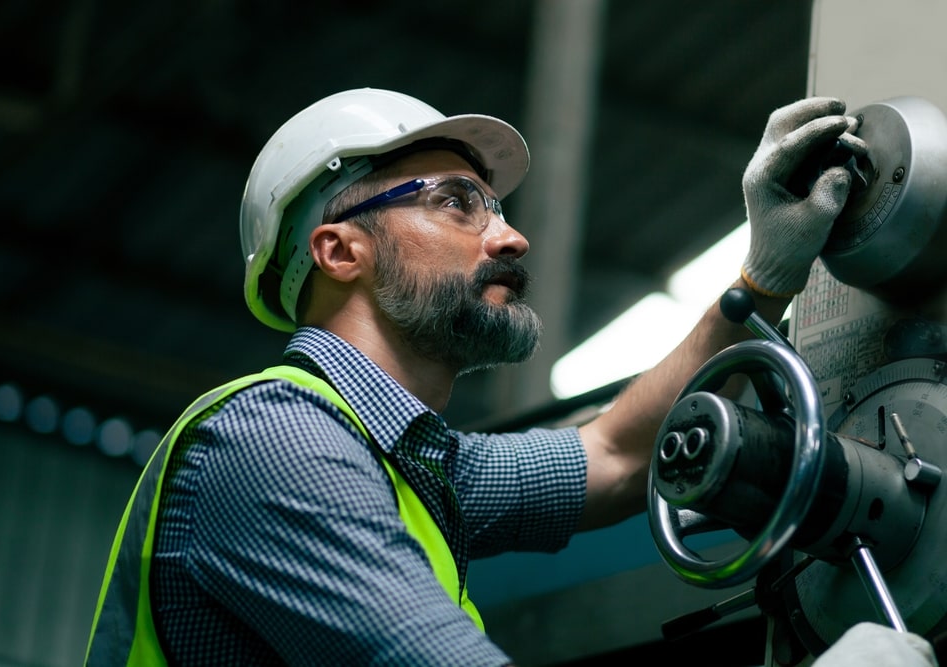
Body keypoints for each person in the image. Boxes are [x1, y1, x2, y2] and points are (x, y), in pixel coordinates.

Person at [83, 88, 937, 666]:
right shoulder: (275, 445)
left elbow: (616, 454)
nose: (509, 237)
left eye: (497, 206)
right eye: (457, 202)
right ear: (340, 249)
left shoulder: (414, 464)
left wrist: (760, 278)